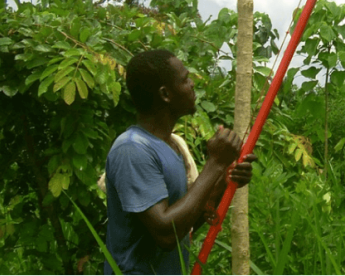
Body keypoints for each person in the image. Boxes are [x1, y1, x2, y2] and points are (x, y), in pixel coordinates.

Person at [104, 49, 256, 274]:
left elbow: (185, 225)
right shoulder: (132, 149)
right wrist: (214, 163)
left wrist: (223, 179)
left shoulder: (171, 146)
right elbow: (166, 235)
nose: (193, 84)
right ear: (166, 94)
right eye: (185, 79)